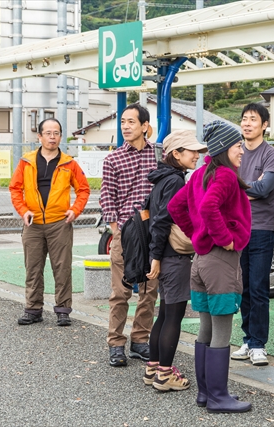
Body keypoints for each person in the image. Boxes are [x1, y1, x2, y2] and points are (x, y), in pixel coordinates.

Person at [168, 121, 252, 413]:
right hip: (220, 261)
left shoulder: (200, 174)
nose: (242, 151)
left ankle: (206, 394)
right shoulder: (225, 175)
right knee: (222, 330)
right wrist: (224, 238)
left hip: (200, 260)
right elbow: (208, 207)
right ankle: (218, 396)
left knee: (205, 328)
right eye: (238, 145)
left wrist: (197, 234)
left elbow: (175, 207)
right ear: (225, 148)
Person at [142, 130, 208, 392]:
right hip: (173, 255)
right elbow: (161, 221)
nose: (197, 155)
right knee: (173, 316)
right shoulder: (175, 181)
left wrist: (155, 256)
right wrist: (156, 257)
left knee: (164, 314)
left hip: (164, 255)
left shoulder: (162, 178)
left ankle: (153, 367)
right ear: (176, 154)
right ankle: (165, 374)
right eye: (191, 151)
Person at [10, 118, 90, 327]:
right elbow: (15, 188)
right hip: (33, 223)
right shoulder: (26, 162)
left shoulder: (69, 163)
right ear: (39, 136)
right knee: (33, 268)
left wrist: (75, 210)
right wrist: (23, 211)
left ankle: (63, 310)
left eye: (56, 133)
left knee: (62, 268)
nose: (52, 137)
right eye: (48, 133)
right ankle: (33, 309)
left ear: (61, 136)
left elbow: (83, 189)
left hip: (59, 223)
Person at [101, 104, 158, 367]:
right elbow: (107, 196)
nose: (125, 126)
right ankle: (116, 343)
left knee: (149, 290)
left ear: (145, 126)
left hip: (152, 233)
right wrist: (116, 230)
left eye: (131, 122)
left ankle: (140, 340)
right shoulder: (113, 159)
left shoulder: (158, 155)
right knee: (120, 292)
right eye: (123, 121)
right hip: (125, 231)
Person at [231, 103, 274, 366]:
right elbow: (225, 187)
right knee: (244, 288)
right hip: (237, 229)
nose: (247, 123)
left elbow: (265, 188)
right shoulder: (235, 151)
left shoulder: (271, 154)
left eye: (253, 119)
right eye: (244, 119)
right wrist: (248, 188)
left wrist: (237, 190)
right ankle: (248, 339)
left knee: (259, 288)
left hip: (261, 228)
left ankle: (259, 344)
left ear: (264, 125)